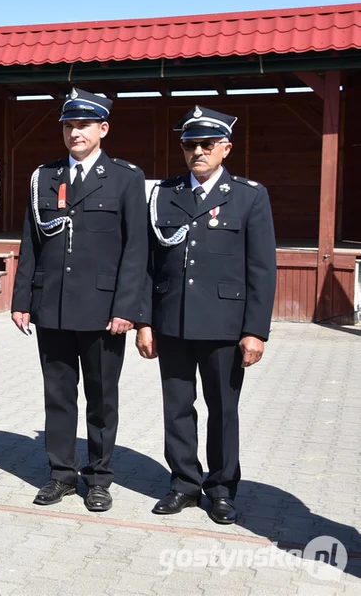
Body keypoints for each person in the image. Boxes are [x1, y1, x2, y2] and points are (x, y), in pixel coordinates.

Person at [11, 88, 148, 512]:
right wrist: (22, 298)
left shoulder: (126, 177)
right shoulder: (44, 177)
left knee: (102, 397)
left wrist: (128, 308)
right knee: (58, 394)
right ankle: (61, 474)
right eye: (69, 125)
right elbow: (31, 241)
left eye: (84, 124)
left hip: (105, 310)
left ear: (103, 129)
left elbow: (136, 249)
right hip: (52, 305)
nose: (75, 132)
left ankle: (99, 477)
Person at [137, 106, 276, 525]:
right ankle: (183, 482)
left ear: (225, 148)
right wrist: (145, 321)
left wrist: (255, 331)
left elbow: (261, 269)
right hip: (172, 320)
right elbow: (149, 262)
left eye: (206, 144)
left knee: (223, 409)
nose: (197, 151)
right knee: (177, 407)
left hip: (223, 325)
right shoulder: (164, 193)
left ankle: (220, 488)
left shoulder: (250, 195)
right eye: (189, 144)